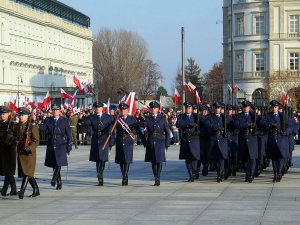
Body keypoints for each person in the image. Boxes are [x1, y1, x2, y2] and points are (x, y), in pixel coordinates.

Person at [110, 103, 145, 185]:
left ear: (127, 110)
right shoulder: (117, 119)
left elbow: (138, 130)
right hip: (119, 140)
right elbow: (112, 131)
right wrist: (111, 142)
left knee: (127, 159)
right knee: (121, 160)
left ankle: (125, 176)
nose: (123, 111)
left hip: (129, 141)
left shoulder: (132, 119)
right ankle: (124, 174)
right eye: (121, 110)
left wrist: (144, 141)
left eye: (124, 110)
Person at [40, 104, 73, 190]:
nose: (55, 111)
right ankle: (59, 182)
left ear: (59, 111)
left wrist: (69, 147)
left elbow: (69, 135)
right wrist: (41, 121)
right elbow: (42, 128)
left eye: (56, 110)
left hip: (61, 144)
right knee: (54, 164)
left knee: (59, 163)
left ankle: (54, 179)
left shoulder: (64, 120)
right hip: (51, 144)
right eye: (53, 110)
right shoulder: (48, 120)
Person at [259, 100, 289, 182]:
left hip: (280, 138)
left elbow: (289, 125)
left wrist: (286, 131)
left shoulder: (282, 116)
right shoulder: (267, 115)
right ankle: (275, 173)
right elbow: (261, 123)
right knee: (274, 158)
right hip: (272, 138)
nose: (274, 109)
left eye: (275, 107)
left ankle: (279, 172)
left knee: (280, 157)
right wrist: (270, 124)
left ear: (278, 108)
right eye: (273, 107)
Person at [83, 101, 112, 186]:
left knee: (102, 159)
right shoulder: (91, 117)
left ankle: (100, 173)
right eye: (96, 107)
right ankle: (100, 177)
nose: (98, 109)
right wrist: (85, 118)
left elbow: (110, 130)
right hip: (96, 140)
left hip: (104, 140)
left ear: (102, 108)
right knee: (97, 159)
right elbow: (86, 123)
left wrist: (111, 142)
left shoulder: (107, 117)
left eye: (99, 107)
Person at [14, 107, 40, 199]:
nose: (20, 117)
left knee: (27, 172)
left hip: (29, 154)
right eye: (19, 115)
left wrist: (29, 148)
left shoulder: (33, 127)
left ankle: (22, 191)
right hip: (21, 152)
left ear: (27, 116)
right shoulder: (17, 126)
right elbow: (14, 137)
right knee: (28, 173)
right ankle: (36, 189)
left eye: (22, 115)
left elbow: (36, 141)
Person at [144, 101, 171, 186]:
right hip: (151, 141)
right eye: (151, 108)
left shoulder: (162, 118)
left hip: (160, 141)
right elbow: (143, 126)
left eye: (154, 108)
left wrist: (167, 143)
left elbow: (167, 132)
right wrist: (142, 123)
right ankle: (156, 176)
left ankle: (158, 177)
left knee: (159, 161)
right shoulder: (147, 118)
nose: (153, 109)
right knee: (153, 161)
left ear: (158, 109)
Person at [203, 102, 230, 182]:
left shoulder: (224, 116)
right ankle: (219, 172)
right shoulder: (210, 116)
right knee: (216, 158)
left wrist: (224, 114)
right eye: (216, 108)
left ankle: (220, 173)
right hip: (213, 139)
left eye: (219, 108)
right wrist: (216, 127)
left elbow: (231, 122)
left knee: (222, 157)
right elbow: (206, 123)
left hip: (222, 139)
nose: (217, 109)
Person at [234, 100, 258, 183]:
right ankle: (247, 173)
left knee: (252, 158)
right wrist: (246, 125)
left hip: (252, 139)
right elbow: (236, 124)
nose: (245, 108)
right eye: (244, 107)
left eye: (247, 107)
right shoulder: (238, 116)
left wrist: (254, 111)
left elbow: (261, 121)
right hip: (243, 139)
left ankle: (251, 173)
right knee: (244, 159)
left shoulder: (253, 115)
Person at [176, 102, 201, 182]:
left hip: (194, 139)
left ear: (192, 109)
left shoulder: (195, 116)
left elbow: (202, 123)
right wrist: (189, 124)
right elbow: (178, 124)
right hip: (186, 139)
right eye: (187, 108)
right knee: (187, 158)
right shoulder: (181, 116)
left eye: (189, 108)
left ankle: (194, 171)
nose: (188, 109)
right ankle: (190, 174)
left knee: (195, 157)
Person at [0, 106, 17, 196]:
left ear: (8, 114)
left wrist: (11, 138)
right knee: (6, 170)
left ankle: (4, 189)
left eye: (4, 114)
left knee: (9, 169)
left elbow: (17, 137)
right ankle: (13, 188)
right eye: (1, 114)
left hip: (10, 150)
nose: (2, 116)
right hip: (2, 149)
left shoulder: (13, 124)